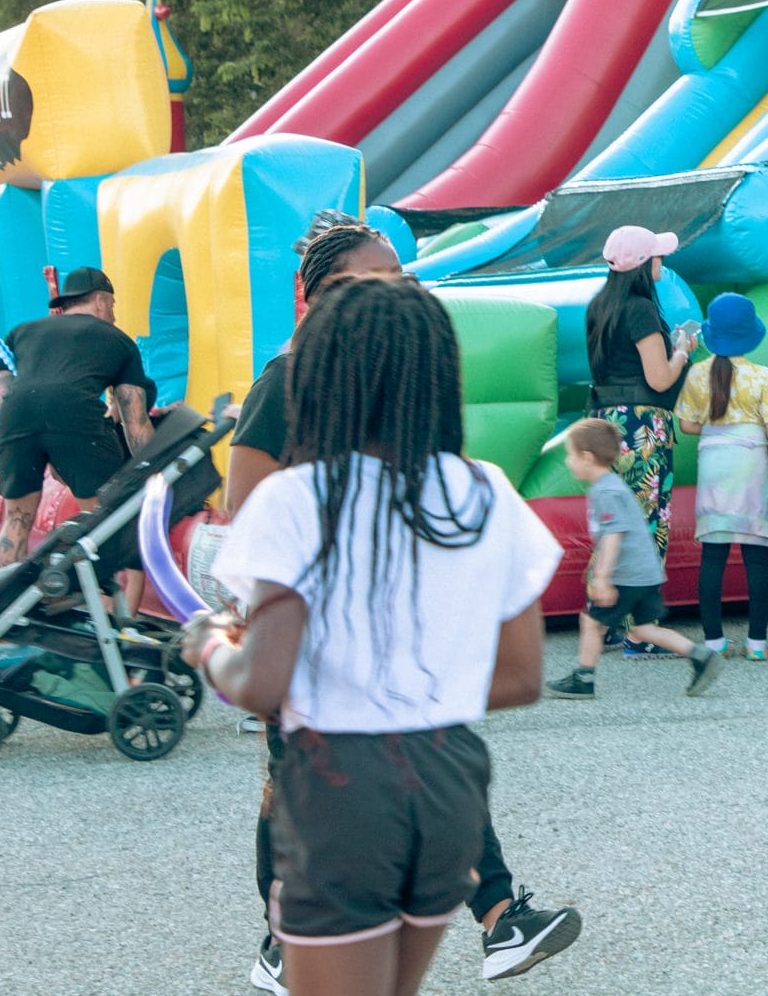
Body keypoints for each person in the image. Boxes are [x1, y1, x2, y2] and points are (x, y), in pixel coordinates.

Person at [225, 214, 580, 993]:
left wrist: (209, 648)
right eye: (379, 282)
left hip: (341, 762)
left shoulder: (315, 495)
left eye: (403, 281)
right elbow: (521, 676)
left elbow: (261, 678)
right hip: (442, 769)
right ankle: (477, 917)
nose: (398, 294)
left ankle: (301, 937)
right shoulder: (482, 488)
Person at [546, 417, 730, 699]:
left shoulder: (606, 491)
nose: (569, 462)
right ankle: (701, 656)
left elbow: (613, 536)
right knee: (643, 629)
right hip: (645, 573)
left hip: (627, 576)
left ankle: (583, 678)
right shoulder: (612, 486)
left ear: (586, 457)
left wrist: (604, 579)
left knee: (591, 622)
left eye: (570, 455)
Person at [0, 267, 152, 568]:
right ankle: (105, 608)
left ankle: (3, 607)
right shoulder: (118, 340)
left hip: (15, 414)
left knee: (16, 519)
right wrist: (154, 473)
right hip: (75, 412)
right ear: (101, 302)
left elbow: (2, 386)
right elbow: (135, 422)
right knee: (103, 521)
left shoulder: (20, 332)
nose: (114, 316)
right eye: (113, 307)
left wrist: (32, 436)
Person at [585, 225, 696, 654]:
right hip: (642, 426)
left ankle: (607, 620)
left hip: (605, 421)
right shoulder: (641, 311)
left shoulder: (598, 306)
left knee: (612, 522)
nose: (662, 264)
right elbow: (659, 377)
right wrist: (683, 349)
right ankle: (639, 631)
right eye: (658, 257)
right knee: (647, 525)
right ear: (643, 264)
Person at [672, 293, 768, 660]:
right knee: (756, 556)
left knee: (713, 554)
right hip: (750, 465)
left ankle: (713, 641)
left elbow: (688, 424)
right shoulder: (762, 376)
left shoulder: (697, 373)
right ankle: (757, 643)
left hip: (713, 465)